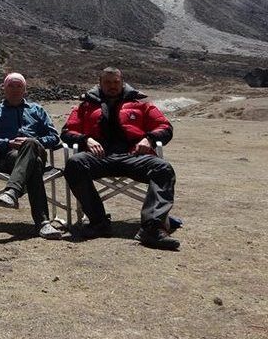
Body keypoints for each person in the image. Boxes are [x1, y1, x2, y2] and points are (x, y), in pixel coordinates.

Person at [61, 67, 180, 250]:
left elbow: (164, 127)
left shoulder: (141, 104)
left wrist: (149, 139)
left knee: (163, 169)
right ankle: (98, 222)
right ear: (100, 83)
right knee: (74, 164)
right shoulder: (85, 106)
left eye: (116, 82)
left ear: (122, 82)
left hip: (134, 155)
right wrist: (86, 139)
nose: (112, 86)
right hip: (98, 156)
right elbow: (68, 132)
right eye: (107, 83)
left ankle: (152, 228)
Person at [0, 73, 62, 239]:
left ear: (24, 89)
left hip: (37, 151)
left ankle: (12, 191)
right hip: (7, 158)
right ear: (4, 89)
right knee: (35, 164)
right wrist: (8, 143)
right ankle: (43, 223)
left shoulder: (37, 110)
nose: (15, 90)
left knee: (30, 144)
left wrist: (34, 141)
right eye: (11, 86)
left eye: (18, 86)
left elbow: (54, 137)